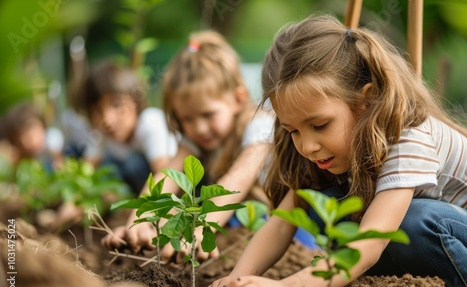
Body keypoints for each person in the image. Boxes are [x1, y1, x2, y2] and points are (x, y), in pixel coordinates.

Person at [206, 14, 467, 287]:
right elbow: (282, 223)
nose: (307, 146)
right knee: (319, 203)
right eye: (293, 130)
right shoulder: (326, 150)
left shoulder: (408, 138)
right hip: (425, 243)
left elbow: (371, 243)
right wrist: (238, 278)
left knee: (414, 220)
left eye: (320, 125)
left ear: (365, 101)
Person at [101, 31, 276, 262]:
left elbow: (238, 181)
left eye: (208, 114)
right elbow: (166, 179)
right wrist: (136, 224)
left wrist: (201, 230)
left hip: (277, 221)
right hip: (230, 218)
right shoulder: (195, 140)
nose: (199, 128)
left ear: (238, 98)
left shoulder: (259, 125)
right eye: (188, 119)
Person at [79, 61, 179, 194]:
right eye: (97, 111)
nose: (107, 120)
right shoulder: (103, 133)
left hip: (178, 181)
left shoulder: (150, 122)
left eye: (116, 105)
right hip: (145, 184)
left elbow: (164, 175)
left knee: (133, 164)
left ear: (135, 102)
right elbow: (87, 169)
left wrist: (140, 212)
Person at [0, 102, 64, 170]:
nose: (26, 143)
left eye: (30, 136)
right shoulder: (21, 156)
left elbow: (57, 156)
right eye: (20, 141)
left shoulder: (51, 138)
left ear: (43, 126)